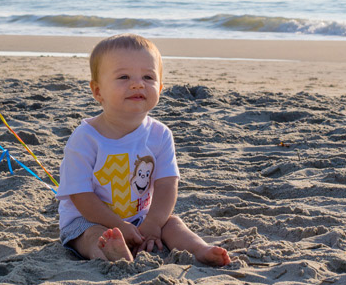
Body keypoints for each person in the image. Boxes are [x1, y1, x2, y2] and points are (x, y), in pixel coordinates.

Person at [56, 33, 231, 266]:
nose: (138, 83)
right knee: (92, 236)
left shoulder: (160, 134)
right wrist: (119, 226)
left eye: (148, 76)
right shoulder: (86, 138)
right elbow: (81, 196)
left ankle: (199, 249)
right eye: (123, 76)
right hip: (88, 219)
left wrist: (153, 223)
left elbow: (167, 184)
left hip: (140, 218)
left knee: (173, 224)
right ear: (98, 91)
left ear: (160, 87)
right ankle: (113, 254)